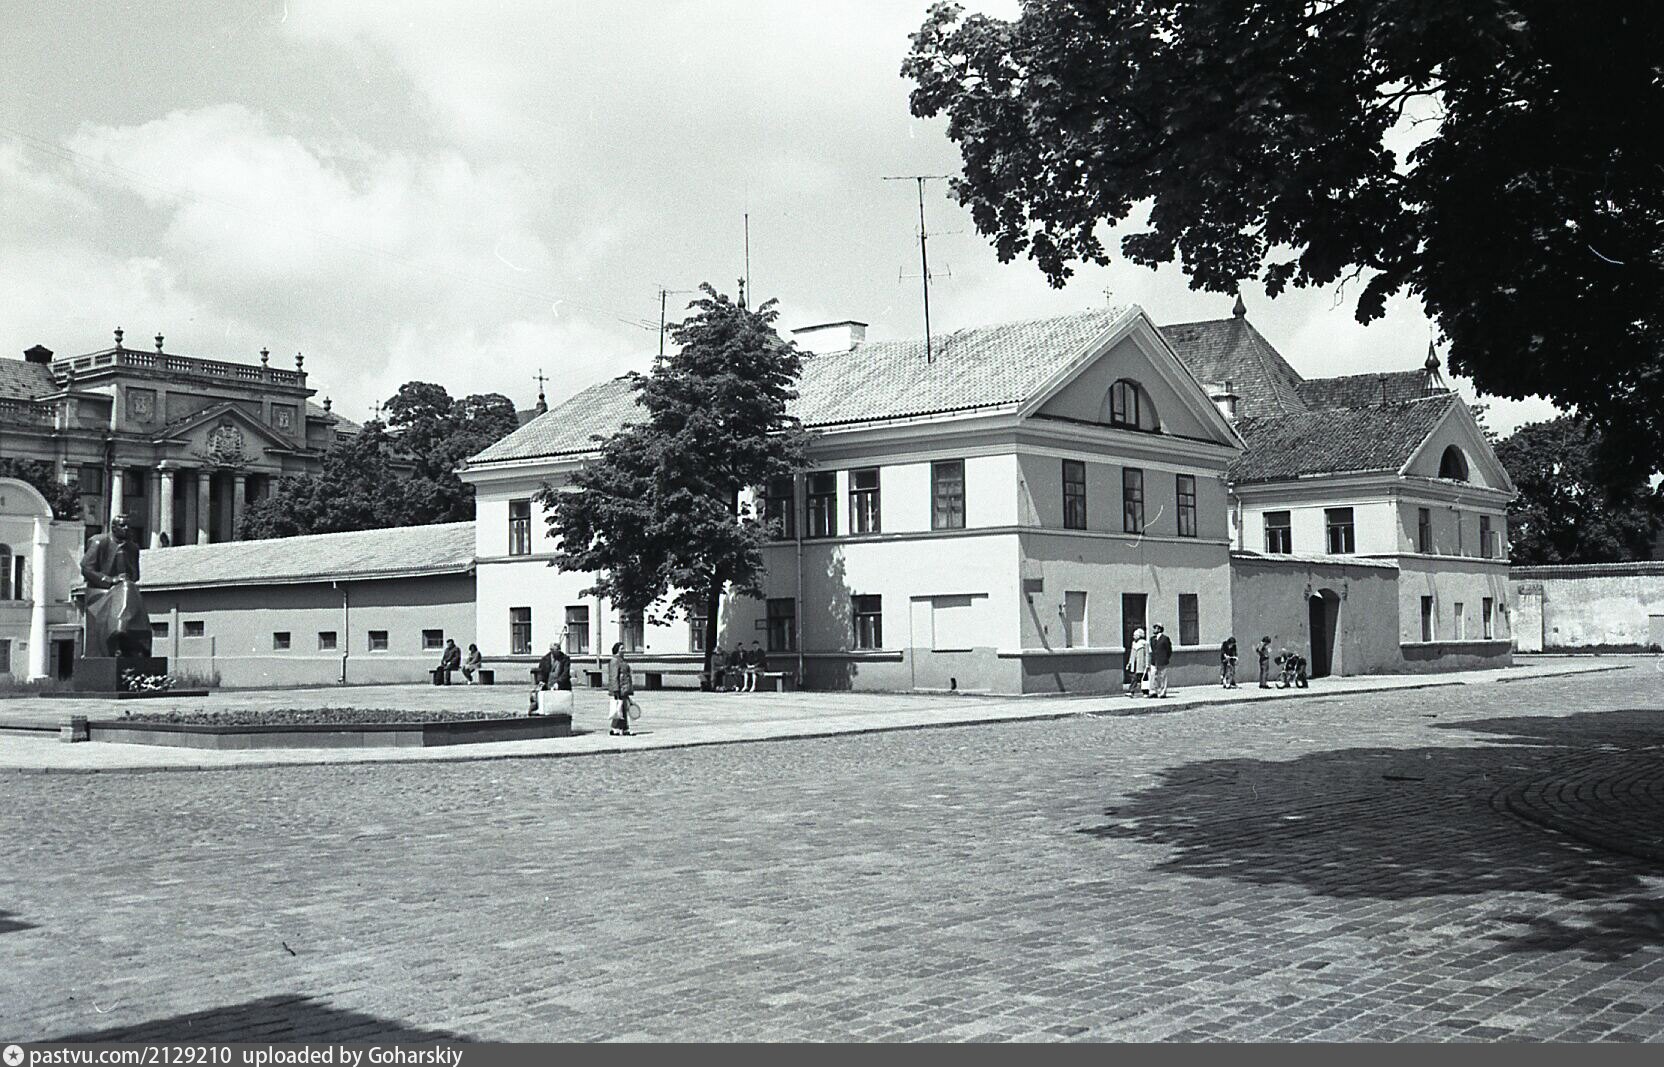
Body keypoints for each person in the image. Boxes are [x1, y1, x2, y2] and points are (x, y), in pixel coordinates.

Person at [80, 512, 152, 658]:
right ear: (113, 527)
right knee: (127, 589)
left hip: (122, 590)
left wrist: (125, 576)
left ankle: (131, 636)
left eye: (128, 526)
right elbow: (86, 569)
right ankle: (121, 634)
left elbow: (135, 576)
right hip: (100, 592)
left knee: (129, 588)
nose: (126, 529)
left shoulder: (132, 548)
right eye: (122, 525)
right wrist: (110, 580)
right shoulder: (99, 542)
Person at [607, 641, 634, 735]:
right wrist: (615, 690)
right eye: (622, 648)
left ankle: (623, 728)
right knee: (619, 708)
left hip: (624, 688)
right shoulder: (614, 661)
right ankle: (615, 728)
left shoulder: (622, 660)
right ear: (617, 650)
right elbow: (613, 676)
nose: (624, 650)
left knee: (622, 709)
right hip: (619, 688)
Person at [1149, 624, 1173, 698]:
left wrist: (1165, 658)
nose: (1154, 630)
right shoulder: (1152, 639)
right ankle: (1153, 691)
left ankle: (1162, 692)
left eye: (1155, 628)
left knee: (1162, 676)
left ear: (1159, 629)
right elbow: (1152, 649)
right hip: (1154, 661)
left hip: (1162, 661)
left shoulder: (1165, 639)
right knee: (1153, 676)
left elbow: (1169, 650)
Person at [1125, 627, 1149, 698]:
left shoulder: (1145, 643)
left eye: (1135, 635)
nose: (1133, 636)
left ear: (1139, 635)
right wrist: (1129, 663)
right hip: (1134, 663)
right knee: (1134, 677)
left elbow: (1147, 654)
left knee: (1143, 679)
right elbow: (1132, 654)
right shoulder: (1134, 643)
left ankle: (1145, 692)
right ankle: (1131, 691)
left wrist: (1147, 664)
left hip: (1141, 663)